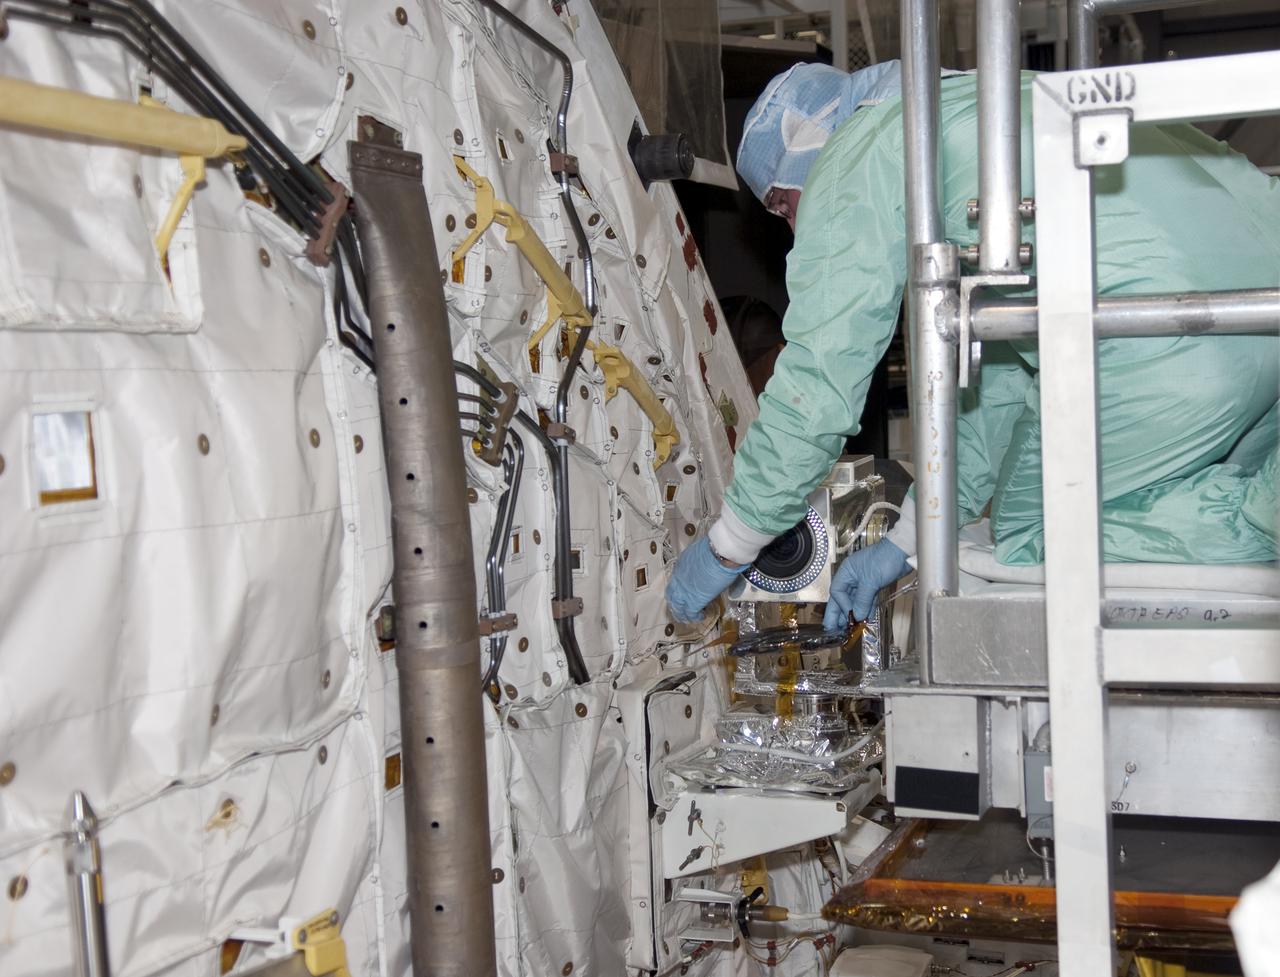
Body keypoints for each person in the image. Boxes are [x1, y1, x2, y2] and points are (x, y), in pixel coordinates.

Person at [666, 61, 1280, 630]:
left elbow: (819, 381)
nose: (793, 225)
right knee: (1160, 502)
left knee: (1032, 534)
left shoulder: (856, 155)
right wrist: (912, 539)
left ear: (803, 158)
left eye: (780, 205)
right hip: (1256, 319)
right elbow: (1000, 375)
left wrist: (733, 541)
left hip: (1166, 344)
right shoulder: (976, 106)